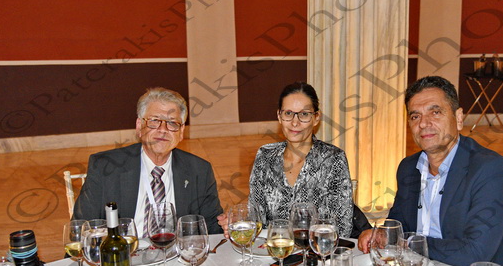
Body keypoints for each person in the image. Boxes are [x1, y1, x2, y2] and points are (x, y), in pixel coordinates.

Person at [358, 76, 503, 266]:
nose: (423, 123)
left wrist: (409, 243)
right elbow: (399, 223)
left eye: (435, 112)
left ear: (459, 118)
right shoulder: (408, 168)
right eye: (415, 116)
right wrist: (383, 234)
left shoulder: (491, 169)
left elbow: (475, 253)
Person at [218, 81, 361, 238]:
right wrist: (239, 218)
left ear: (316, 118)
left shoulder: (333, 159)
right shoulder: (265, 156)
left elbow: (342, 228)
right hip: (274, 248)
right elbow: (257, 212)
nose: (294, 122)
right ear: (279, 116)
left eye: (304, 114)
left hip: (318, 250)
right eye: (288, 113)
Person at [73, 87, 223, 235]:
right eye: (154, 120)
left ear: (181, 132)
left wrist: (226, 226)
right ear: (139, 126)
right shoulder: (105, 167)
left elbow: (213, 229)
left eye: (172, 123)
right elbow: (82, 229)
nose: (163, 129)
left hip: (177, 250)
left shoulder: (199, 170)